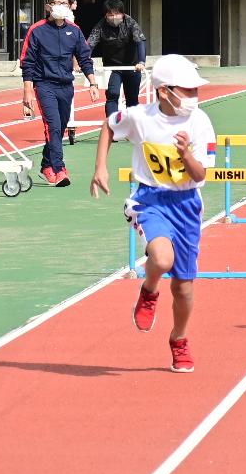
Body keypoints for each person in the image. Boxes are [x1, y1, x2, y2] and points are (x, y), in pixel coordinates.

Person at [88, 53, 213, 373]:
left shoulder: (199, 122)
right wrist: (100, 167)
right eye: (187, 91)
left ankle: (179, 339)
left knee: (184, 287)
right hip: (150, 199)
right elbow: (108, 125)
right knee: (161, 259)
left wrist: (186, 156)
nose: (194, 97)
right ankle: (148, 291)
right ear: (163, 91)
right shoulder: (140, 117)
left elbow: (200, 176)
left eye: (196, 90)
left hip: (186, 203)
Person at [18, 0, 100, 187]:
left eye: (65, 2)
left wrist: (93, 83)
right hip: (44, 84)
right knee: (53, 126)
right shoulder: (37, 30)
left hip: (66, 86)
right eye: (57, 2)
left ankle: (46, 166)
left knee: (60, 129)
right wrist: (27, 90)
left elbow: (84, 58)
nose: (61, 5)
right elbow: (27, 61)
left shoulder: (74, 31)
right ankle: (58, 169)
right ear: (48, 7)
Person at [87, 0, 147, 121]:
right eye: (110, 14)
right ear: (105, 15)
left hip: (132, 66)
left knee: (132, 97)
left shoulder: (130, 22)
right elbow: (90, 44)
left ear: (122, 13)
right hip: (112, 67)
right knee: (112, 95)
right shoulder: (101, 26)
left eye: (117, 14)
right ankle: (112, 127)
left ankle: (132, 126)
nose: (114, 17)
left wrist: (141, 61)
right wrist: (84, 60)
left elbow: (140, 42)